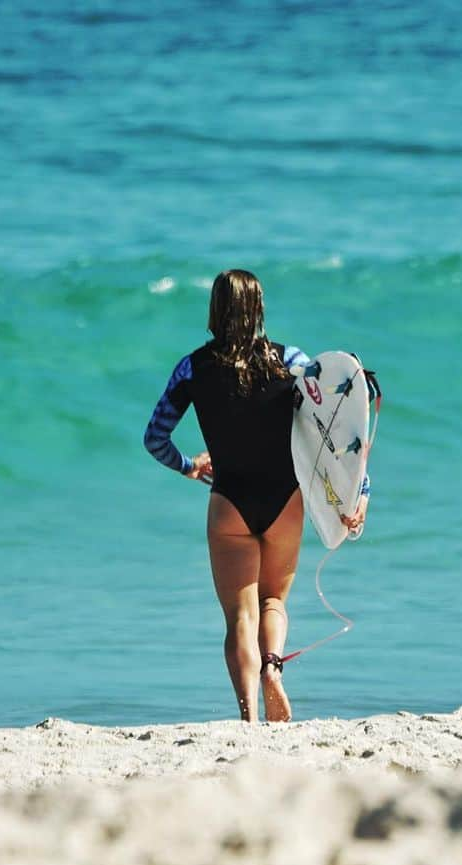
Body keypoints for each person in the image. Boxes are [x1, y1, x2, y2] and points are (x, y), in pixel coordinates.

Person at [144, 269, 367, 722]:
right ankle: (273, 669)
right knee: (273, 602)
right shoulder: (295, 362)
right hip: (285, 499)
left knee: (239, 618)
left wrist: (189, 466)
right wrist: (357, 494)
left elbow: (155, 438)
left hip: (230, 501)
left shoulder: (192, 367)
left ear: (215, 309)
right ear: (259, 309)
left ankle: (247, 717)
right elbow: (343, 433)